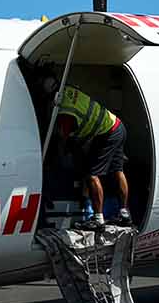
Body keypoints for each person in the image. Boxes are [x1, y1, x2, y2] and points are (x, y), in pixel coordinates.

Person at [52, 80, 131, 229]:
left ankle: (98, 219)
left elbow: (63, 141)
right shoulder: (69, 89)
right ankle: (124, 214)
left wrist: (58, 159)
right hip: (117, 125)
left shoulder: (65, 112)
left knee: (91, 175)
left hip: (107, 133)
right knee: (117, 170)